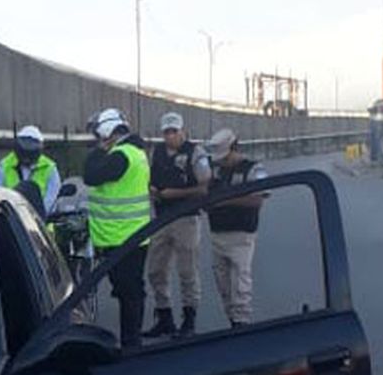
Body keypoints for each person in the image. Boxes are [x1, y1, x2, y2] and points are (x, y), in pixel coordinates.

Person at [82, 107, 152, 349]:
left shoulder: (122, 155)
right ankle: (132, 340)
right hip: (127, 237)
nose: (97, 140)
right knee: (129, 292)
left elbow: (90, 175)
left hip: (123, 239)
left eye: (98, 135)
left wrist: (99, 150)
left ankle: (131, 343)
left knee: (129, 293)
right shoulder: (134, 153)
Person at [143, 112, 210, 339]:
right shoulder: (158, 152)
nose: (171, 136)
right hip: (162, 217)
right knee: (155, 270)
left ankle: (189, 319)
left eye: (174, 131)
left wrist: (176, 194)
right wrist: (152, 190)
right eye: (167, 132)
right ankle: (164, 317)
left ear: (183, 131)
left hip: (186, 217)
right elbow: (149, 178)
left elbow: (204, 187)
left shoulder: (195, 152)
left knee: (187, 271)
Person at [202, 128, 269, 328]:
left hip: (241, 235)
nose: (221, 160)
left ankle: (241, 324)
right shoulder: (215, 170)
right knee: (223, 284)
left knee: (240, 283)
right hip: (217, 235)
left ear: (234, 147)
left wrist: (223, 200)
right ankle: (232, 319)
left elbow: (258, 199)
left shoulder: (253, 168)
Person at [0, 125, 62, 217]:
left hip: (42, 224)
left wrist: (35, 217)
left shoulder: (50, 168)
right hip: (12, 222)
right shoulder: (4, 165)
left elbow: (51, 199)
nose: (26, 160)